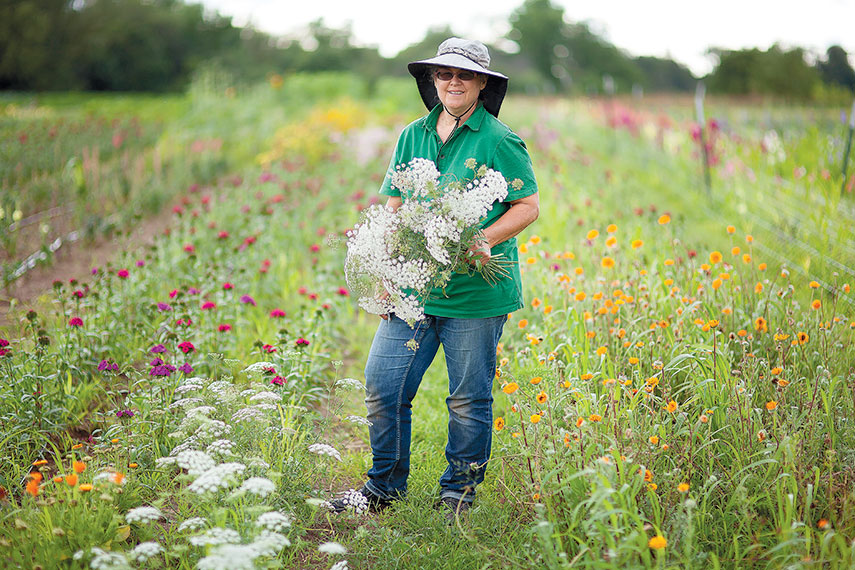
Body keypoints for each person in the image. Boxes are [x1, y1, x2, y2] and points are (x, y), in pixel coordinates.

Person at [331, 37, 539, 523]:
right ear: (433, 80)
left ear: (482, 83)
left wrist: (481, 239)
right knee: (384, 386)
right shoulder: (413, 134)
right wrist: (384, 272)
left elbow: (527, 206)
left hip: (476, 293)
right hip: (413, 291)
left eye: (464, 75)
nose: (452, 82)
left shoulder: (500, 140)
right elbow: (395, 208)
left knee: (468, 398)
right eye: (444, 74)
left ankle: (458, 497)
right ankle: (383, 488)